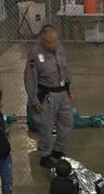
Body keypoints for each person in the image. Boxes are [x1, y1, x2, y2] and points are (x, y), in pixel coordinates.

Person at [24, 26, 74, 168]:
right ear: (42, 40)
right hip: (47, 95)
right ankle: (45, 155)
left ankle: (58, 150)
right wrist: (33, 99)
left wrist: (69, 87)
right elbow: (30, 77)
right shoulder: (35, 54)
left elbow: (65, 68)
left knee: (67, 124)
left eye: (54, 41)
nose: (52, 45)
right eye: (49, 42)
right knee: (45, 127)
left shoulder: (60, 48)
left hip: (62, 93)